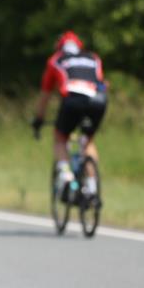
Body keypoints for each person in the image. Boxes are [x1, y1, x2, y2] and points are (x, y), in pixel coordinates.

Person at [32, 30, 107, 197]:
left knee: (60, 137)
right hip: (99, 100)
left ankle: (66, 178)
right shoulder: (93, 58)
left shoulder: (55, 60)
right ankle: (92, 188)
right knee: (88, 141)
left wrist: (38, 119)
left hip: (73, 98)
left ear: (60, 47)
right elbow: (101, 81)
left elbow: (45, 96)